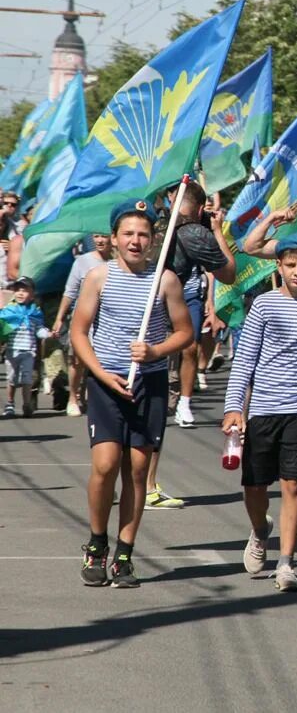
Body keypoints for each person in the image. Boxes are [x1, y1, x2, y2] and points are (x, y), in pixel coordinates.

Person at [72, 199, 194, 587]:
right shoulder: (98, 277)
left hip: (149, 382)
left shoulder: (166, 280)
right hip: (107, 381)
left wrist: (156, 351)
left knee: (137, 470)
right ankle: (96, 544)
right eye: (128, 234)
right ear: (114, 238)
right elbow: (79, 332)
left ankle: (124, 554)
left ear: (154, 239)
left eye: (143, 234)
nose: (135, 241)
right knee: (106, 464)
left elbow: (185, 332)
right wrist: (100, 375)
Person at [223, 233, 297, 592]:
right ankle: (260, 530)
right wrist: (233, 407)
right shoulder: (264, 306)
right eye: (291, 265)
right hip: (263, 407)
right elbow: (245, 359)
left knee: (293, 483)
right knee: (255, 484)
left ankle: (286, 563)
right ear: (279, 266)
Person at [148, 181, 236, 512]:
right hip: (156, 323)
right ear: (200, 209)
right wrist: (217, 230)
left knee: (133, 405)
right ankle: (147, 486)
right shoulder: (193, 232)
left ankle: (129, 482)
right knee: (153, 407)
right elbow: (228, 272)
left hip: (125, 318)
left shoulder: (149, 224)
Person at [52, 233, 112, 417]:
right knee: (77, 360)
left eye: (104, 236)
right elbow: (70, 292)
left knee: (100, 360)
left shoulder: (119, 263)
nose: (100, 240)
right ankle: (73, 397)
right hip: (83, 317)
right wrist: (59, 318)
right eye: (96, 236)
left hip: (108, 319)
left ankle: (91, 397)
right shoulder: (82, 262)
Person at [1, 276, 50, 417]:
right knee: (12, 379)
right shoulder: (8, 311)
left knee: (27, 379)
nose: (20, 293)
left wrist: (48, 334)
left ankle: (27, 404)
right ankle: (10, 403)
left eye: (24, 290)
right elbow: (2, 329)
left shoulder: (35, 313)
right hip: (12, 352)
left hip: (29, 352)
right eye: (17, 290)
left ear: (32, 294)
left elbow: (39, 330)